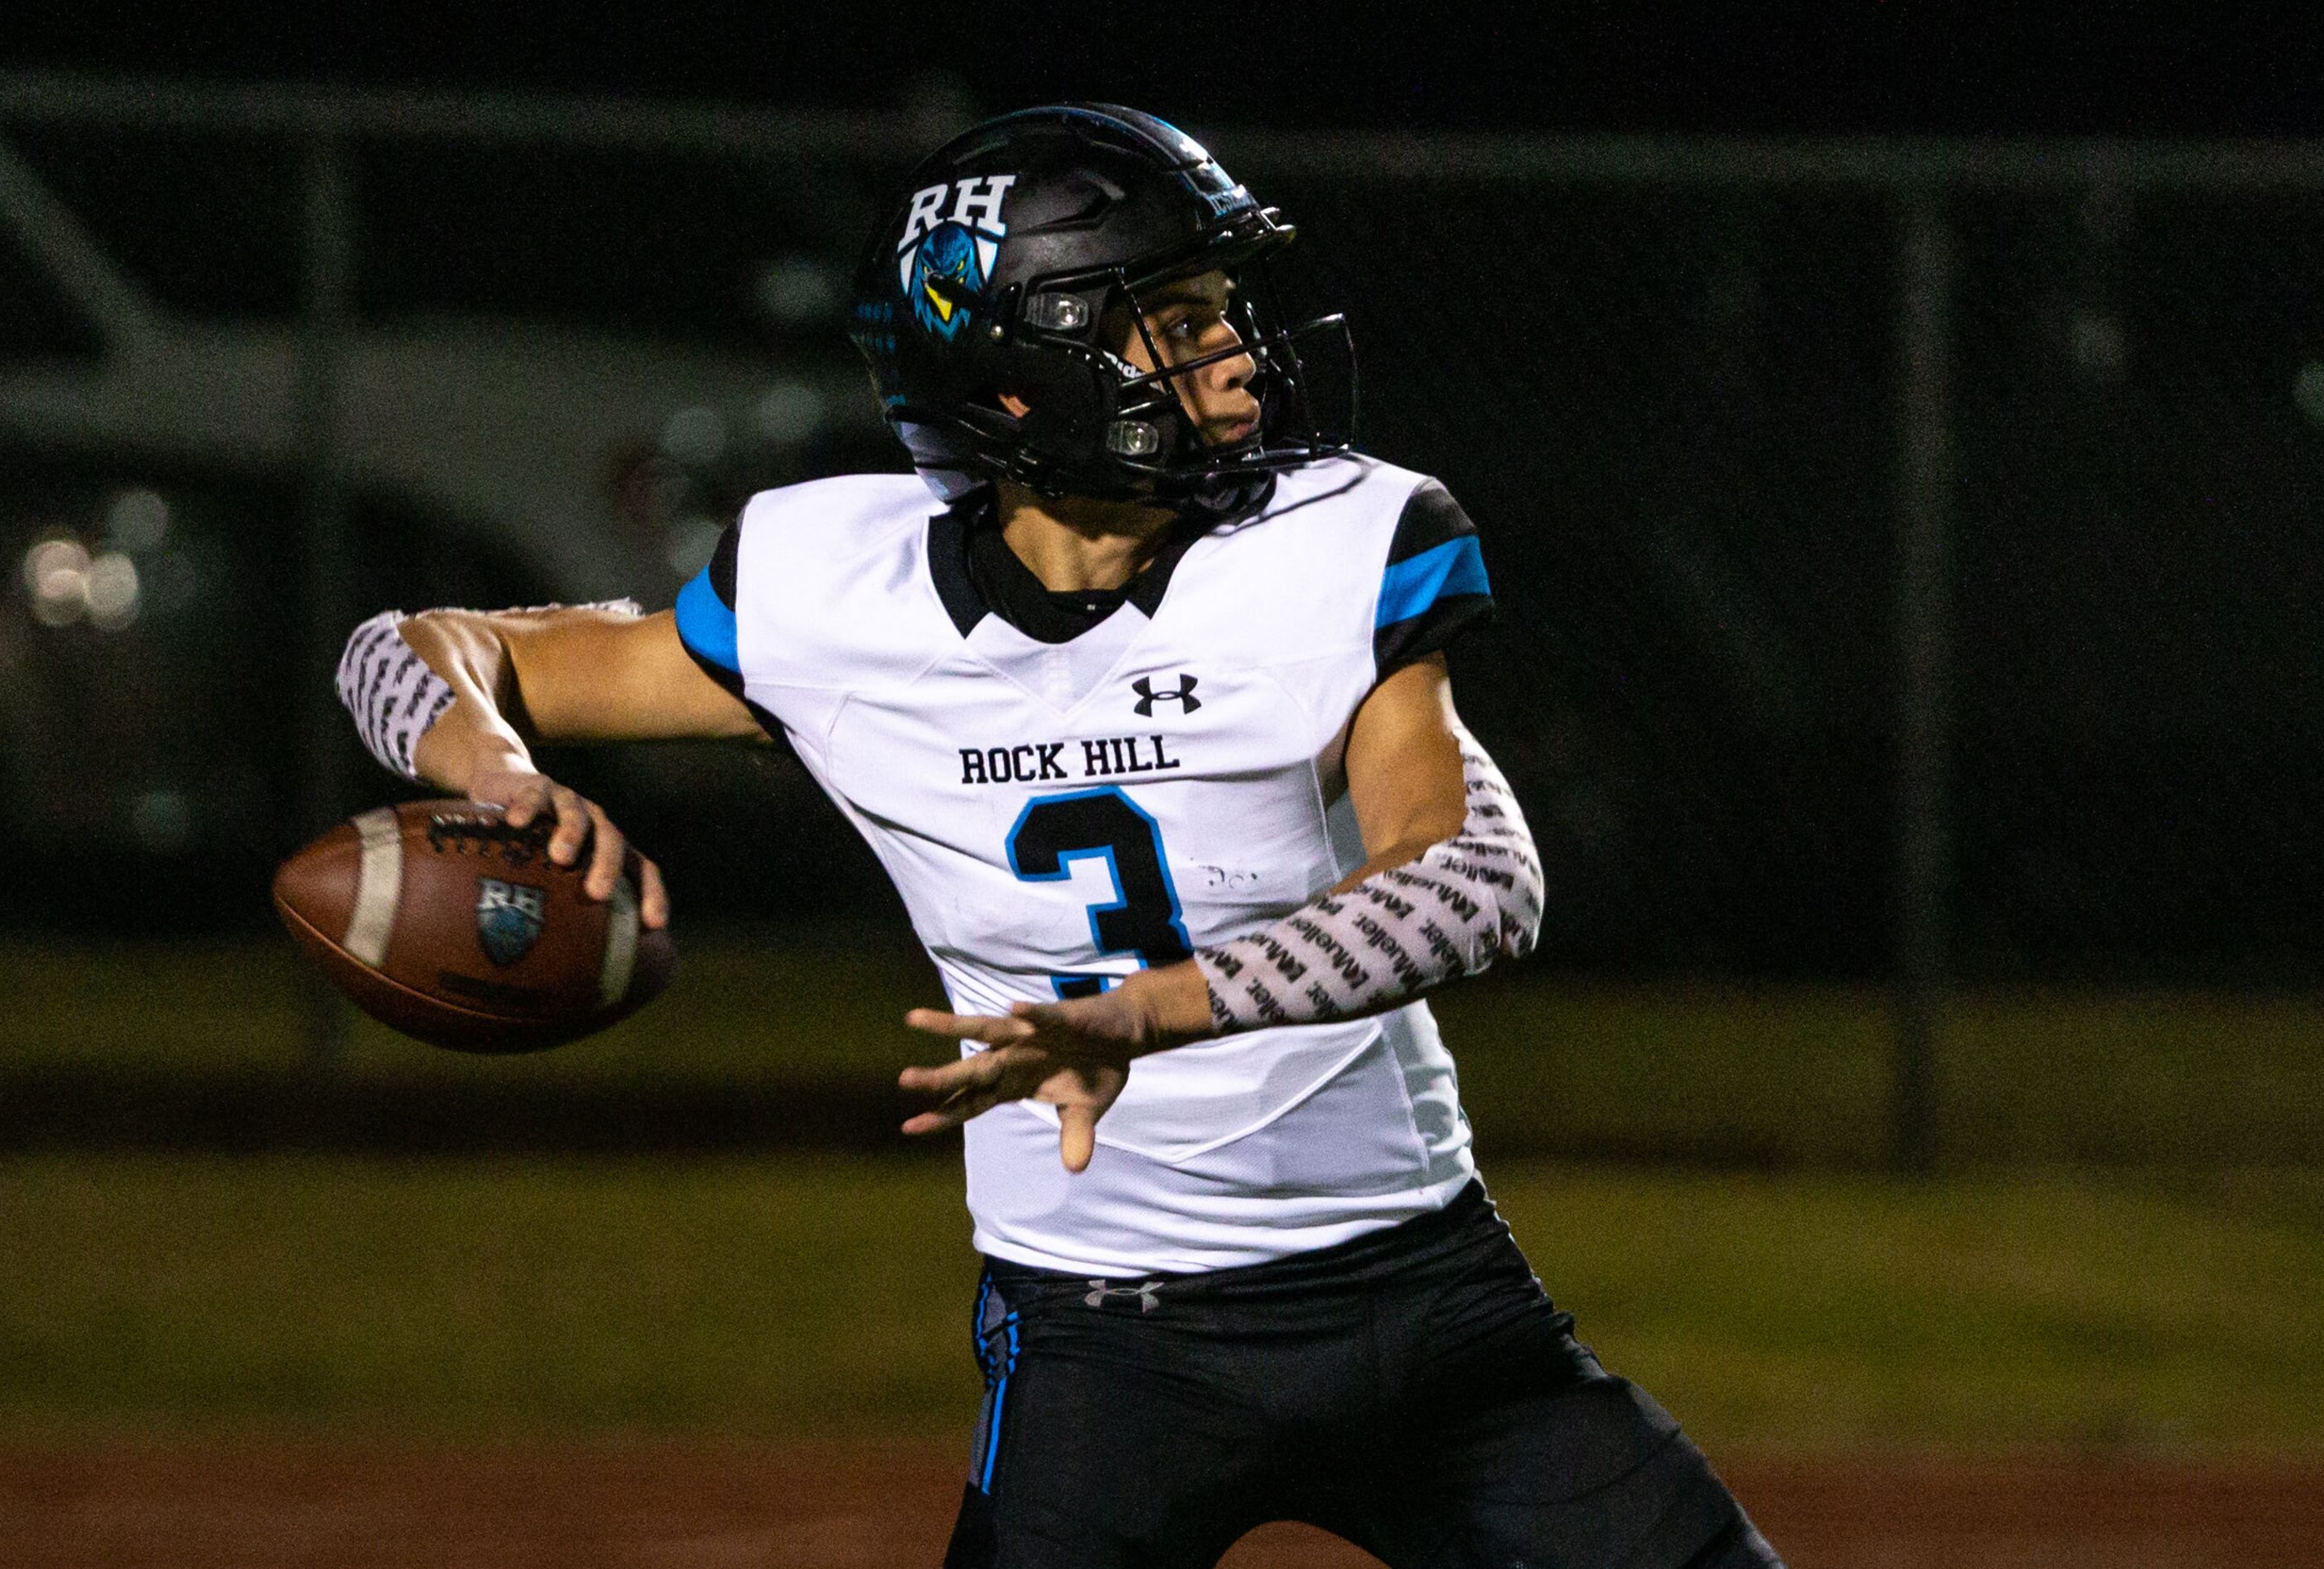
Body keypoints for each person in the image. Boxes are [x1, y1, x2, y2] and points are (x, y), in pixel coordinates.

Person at [336, 104, 1780, 1569]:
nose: (1232, 354)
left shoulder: (1323, 546)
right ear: (1021, 381)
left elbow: (1476, 880)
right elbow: (411, 648)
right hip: (1105, 1339)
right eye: (1173, 320)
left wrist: (1143, 1014)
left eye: (1225, 309)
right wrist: (500, 771)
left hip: (1419, 1301)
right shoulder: (839, 594)